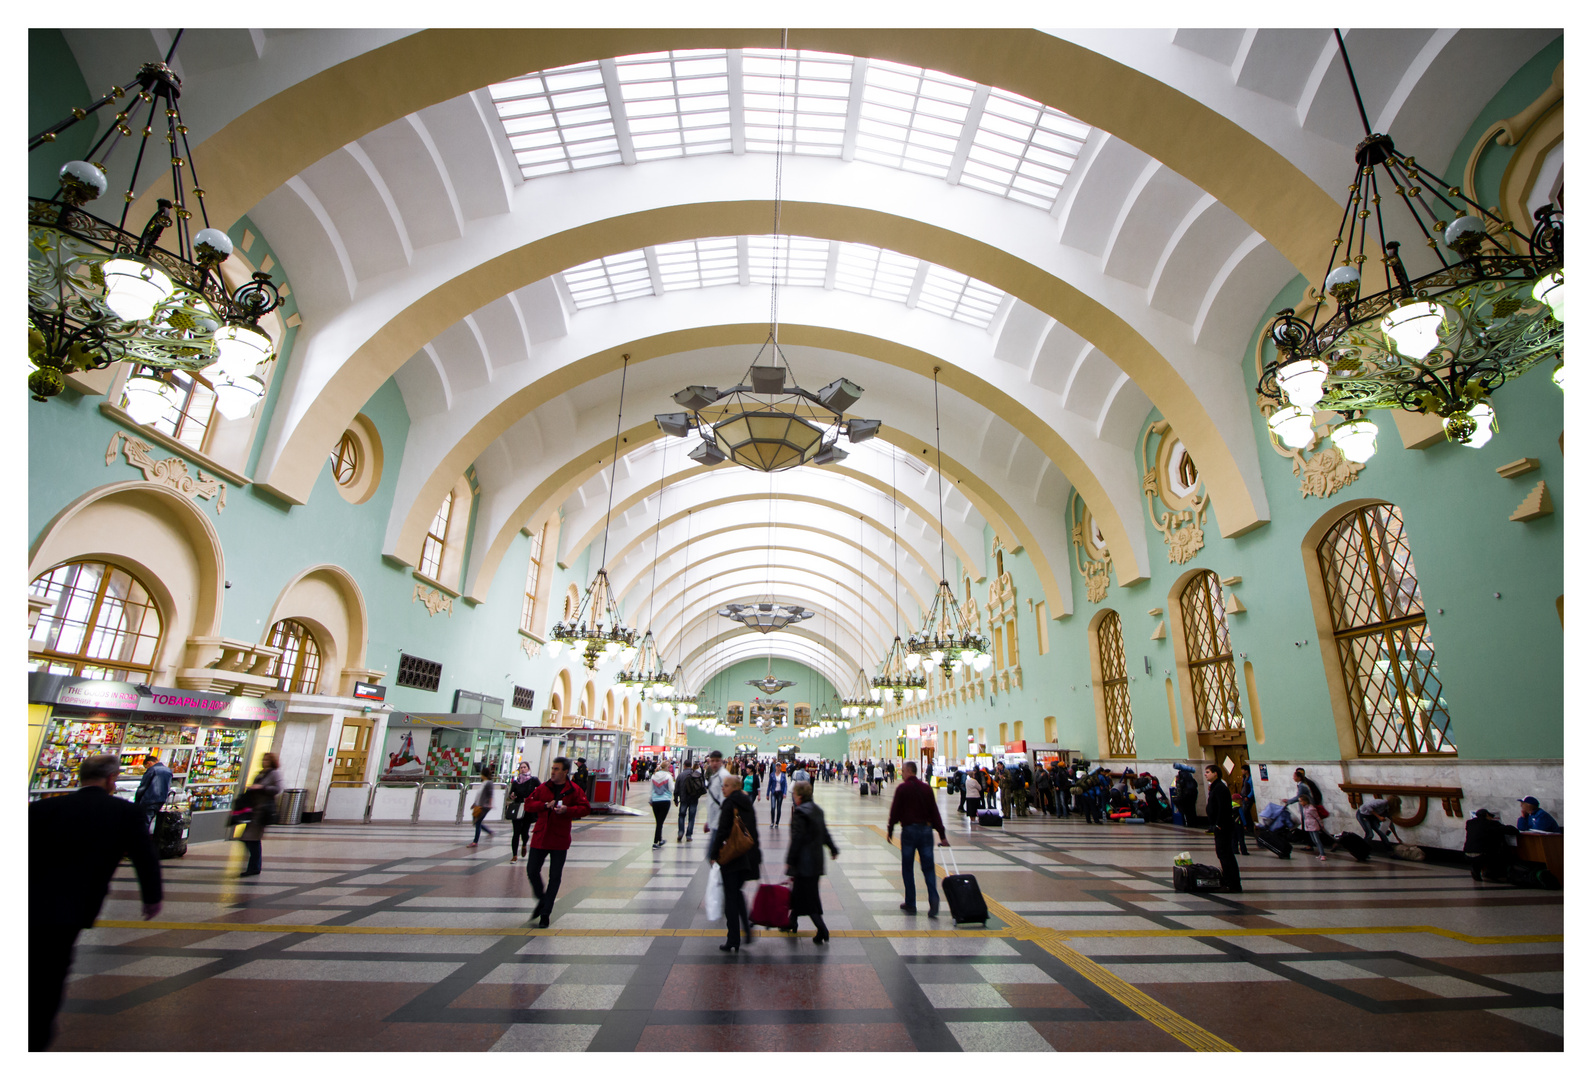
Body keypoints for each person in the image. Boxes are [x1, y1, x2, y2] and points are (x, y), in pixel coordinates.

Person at [30, 754, 164, 1051]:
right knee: (51, 969)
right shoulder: (124, 813)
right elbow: (145, 857)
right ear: (111, 779)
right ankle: (35, 1034)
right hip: (73, 905)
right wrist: (152, 898)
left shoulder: (42, 807)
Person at [524, 756, 591, 928]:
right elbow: (528, 804)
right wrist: (544, 805)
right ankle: (542, 899)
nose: (553, 771)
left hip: (559, 838)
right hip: (541, 836)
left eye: (556, 769)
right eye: (552, 768)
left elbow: (585, 808)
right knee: (532, 870)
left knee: (555, 877)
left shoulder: (574, 790)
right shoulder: (543, 788)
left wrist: (568, 810)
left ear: (565, 771)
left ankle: (545, 913)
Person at [886, 761, 950, 916]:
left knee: (907, 867)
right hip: (926, 832)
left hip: (909, 832)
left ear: (908, 771)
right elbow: (935, 812)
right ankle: (933, 901)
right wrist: (942, 835)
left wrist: (890, 829)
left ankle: (911, 903)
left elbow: (895, 811)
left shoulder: (902, 788)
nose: (901, 774)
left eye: (903, 771)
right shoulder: (926, 788)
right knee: (928, 867)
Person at [709, 772, 761, 952]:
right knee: (736, 892)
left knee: (730, 898)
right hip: (747, 855)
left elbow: (722, 831)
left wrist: (714, 853)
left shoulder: (729, 804)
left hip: (732, 855)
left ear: (734, 787)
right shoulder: (747, 803)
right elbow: (754, 830)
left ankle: (733, 939)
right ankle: (746, 928)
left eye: (726, 785)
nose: (723, 788)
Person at [784, 780, 838, 943]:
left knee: (809, 898)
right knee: (799, 893)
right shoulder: (817, 810)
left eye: (794, 794)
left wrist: (790, 860)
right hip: (816, 861)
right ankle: (792, 921)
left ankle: (822, 929)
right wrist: (832, 848)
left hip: (804, 863)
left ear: (799, 796)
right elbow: (825, 832)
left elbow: (797, 839)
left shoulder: (800, 813)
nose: (793, 797)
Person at [238, 752, 282, 877]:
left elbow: (278, 788)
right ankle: (254, 866)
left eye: (267, 760)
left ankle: (254, 867)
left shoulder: (274, 773)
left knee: (252, 838)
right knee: (248, 838)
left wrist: (261, 788)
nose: (264, 762)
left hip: (263, 811)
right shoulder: (261, 773)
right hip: (254, 809)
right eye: (263, 759)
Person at [1204, 764, 1241, 891]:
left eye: (1208, 772)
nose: (1205, 774)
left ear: (1215, 773)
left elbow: (1223, 808)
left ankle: (1233, 883)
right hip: (1219, 826)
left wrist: (1219, 824)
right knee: (1222, 854)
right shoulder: (1215, 787)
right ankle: (1228, 881)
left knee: (1225, 854)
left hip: (1223, 827)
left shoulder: (1220, 788)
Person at [1463, 809, 1517, 882]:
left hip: (1467, 853)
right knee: (1497, 849)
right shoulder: (1491, 823)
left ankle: (1476, 869)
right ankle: (1492, 873)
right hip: (1483, 854)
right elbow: (1512, 830)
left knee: (1481, 847)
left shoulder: (1469, 823)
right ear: (1487, 815)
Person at [506, 762, 539, 863]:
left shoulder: (533, 780)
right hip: (518, 807)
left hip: (528, 808)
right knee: (516, 832)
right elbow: (511, 794)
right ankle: (514, 855)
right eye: (521, 768)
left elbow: (541, 789)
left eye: (524, 767)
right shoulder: (516, 782)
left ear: (528, 768)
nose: (523, 769)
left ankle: (524, 844)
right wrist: (512, 796)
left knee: (525, 831)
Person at [132, 750, 173, 832]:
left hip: (149, 800)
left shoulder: (152, 770)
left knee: (144, 823)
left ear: (149, 763)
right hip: (161, 800)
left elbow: (143, 786)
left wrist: (137, 801)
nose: (147, 768)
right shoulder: (168, 770)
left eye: (146, 767)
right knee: (151, 821)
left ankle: (141, 841)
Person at [674, 760, 704, 842]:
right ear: (691, 765)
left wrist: (676, 799)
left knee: (681, 815)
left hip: (683, 799)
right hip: (694, 799)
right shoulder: (696, 774)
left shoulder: (680, 775)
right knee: (692, 817)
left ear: (684, 766)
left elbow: (676, 788)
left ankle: (680, 833)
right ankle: (689, 835)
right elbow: (702, 786)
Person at [702, 750, 728, 837]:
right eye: (712, 761)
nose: (714, 763)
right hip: (715, 822)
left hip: (721, 822)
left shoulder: (723, 776)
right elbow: (711, 801)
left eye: (717, 761)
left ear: (721, 761)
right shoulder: (714, 776)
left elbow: (725, 801)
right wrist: (709, 821)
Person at [1298, 790, 1330, 861]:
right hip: (1309, 826)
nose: (1300, 803)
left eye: (1300, 801)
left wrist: (1321, 825)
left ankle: (1323, 854)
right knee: (1314, 840)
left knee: (1317, 840)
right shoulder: (1305, 808)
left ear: (1305, 801)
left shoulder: (1311, 808)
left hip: (1314, 825)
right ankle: (1320, 853)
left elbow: (1317, 817)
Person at [468, 765, 496, 847]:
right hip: (479, 805)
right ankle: (489, 831)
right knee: (476, 822)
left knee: (477, 822)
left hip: (484, 806)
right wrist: (474, 804)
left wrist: (490, 804)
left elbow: (490, 794)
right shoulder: (483, 783)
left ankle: (475, 841)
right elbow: (479, 795)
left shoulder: (489, 783)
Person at [648, 760, 674, 848]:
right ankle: (655, 842)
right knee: (660, 822)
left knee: (658, 821)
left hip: (655, 800)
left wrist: (650, 800)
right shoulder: (668, 776)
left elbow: (651, 789)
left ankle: (660, 840)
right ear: (667, 767)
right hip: (665, 800)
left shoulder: (654, 776)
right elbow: (671, 788)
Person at [767, 763, 789, 827]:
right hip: (773, 792)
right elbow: (769, 785)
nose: (778, 767)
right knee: (773, 807)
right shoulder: (772, 775)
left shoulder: (783, 775)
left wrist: (784, 793)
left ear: (781, 767)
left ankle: (777, 822)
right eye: (777, 766)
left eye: (779, 766)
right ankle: (772, 822)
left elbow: (785, 785)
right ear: (775, 767)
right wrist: (767, 794)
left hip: (780, 793)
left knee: (779, 808)